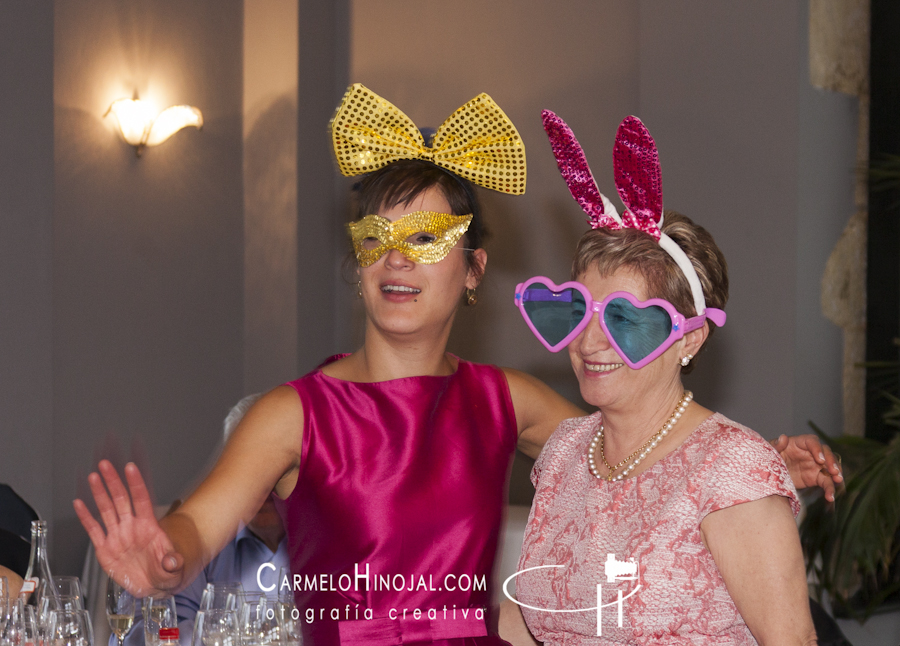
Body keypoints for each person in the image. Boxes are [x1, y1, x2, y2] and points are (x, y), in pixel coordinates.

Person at [74, 86, 838, 646]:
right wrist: (164, 561)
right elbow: (195, 534)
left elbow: (654, 458)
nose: (397, 258)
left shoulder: (507, 400)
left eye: (428, 237)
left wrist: (759, 466)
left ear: (474, 270)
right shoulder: (296, 412)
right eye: (378, 236)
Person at [506, 112, 818, 644]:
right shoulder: (564, 453)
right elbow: (538, 620)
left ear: (689, 340)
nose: (590, 341)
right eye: (580, 310)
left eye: (625, 320)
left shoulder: (732, 471)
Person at [115, 394, 289, 646]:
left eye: (276, 470)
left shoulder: (334, 542)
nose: (263, 489)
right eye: (249, 475)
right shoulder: (197, 539)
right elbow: (152, 632)